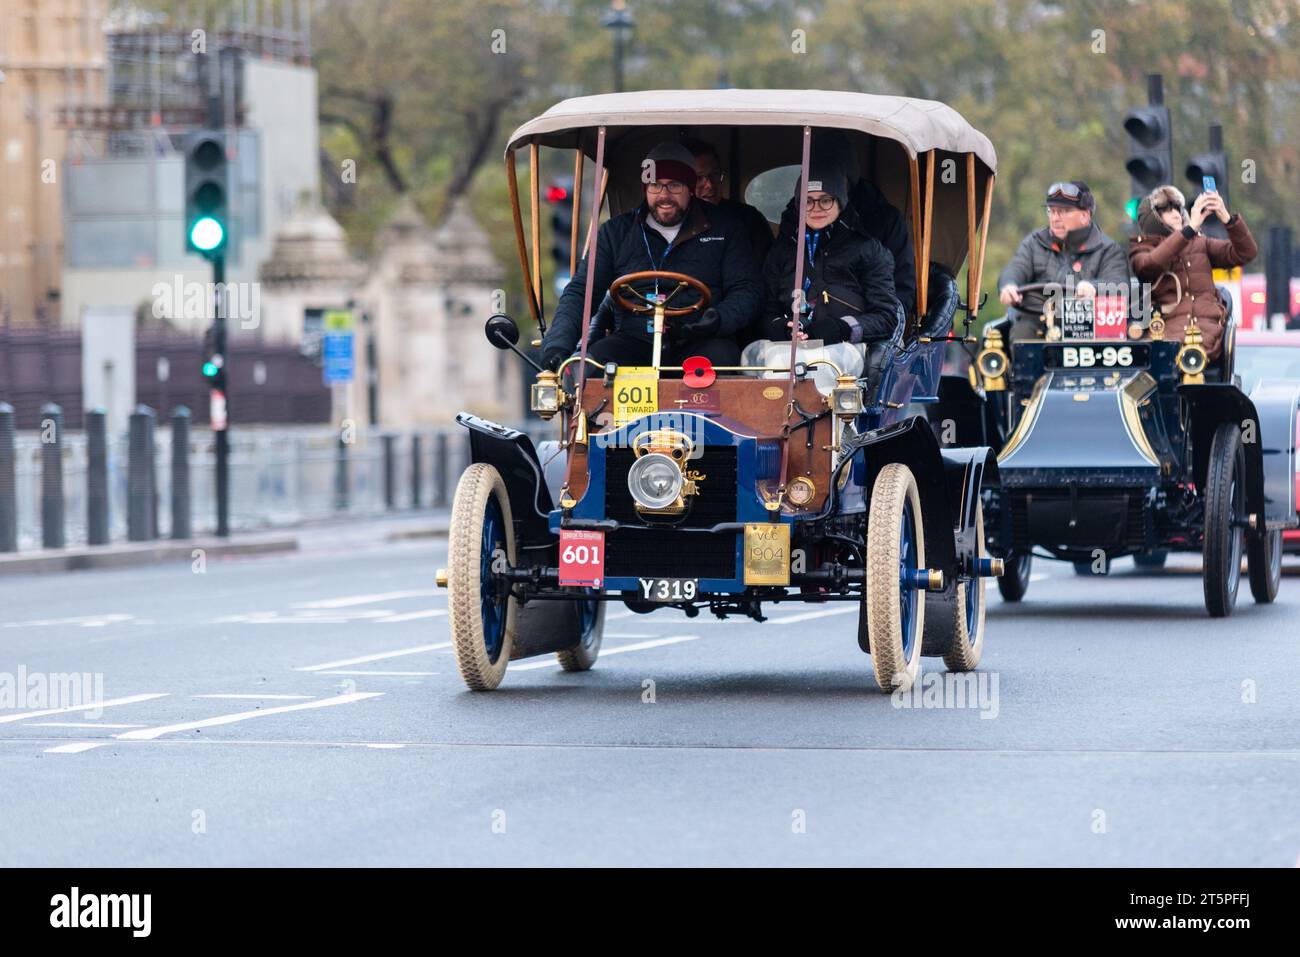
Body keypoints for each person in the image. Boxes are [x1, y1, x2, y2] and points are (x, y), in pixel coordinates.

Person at [540, 142, 761, 373]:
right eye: (656, 185)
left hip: (699, 339)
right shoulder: (615, 232)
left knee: (724, 357)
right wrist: (557, 345)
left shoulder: (725, 227)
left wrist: (717, 320)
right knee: (594, 364)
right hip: (634, 341)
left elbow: (747, 289)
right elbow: (581, 291)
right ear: (645, 188)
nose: (664, 196)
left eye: (674, 185)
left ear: (690, 188)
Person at [747, 156, 901, 390]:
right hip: (789, 345)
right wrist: (781, 327)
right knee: (752, 359)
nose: (816, 208)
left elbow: (886, 317)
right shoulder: (783, 250)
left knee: (817, 365)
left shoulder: (868, 249)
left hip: (845, 344)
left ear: (840, 201)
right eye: (807, 201)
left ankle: (823, 427)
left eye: (825, 200)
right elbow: (765, 310)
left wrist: (841, 328)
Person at [774, 130, 916, 319]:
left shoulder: (883, 221)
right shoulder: (793, 219)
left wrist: (869, 328)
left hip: (865, 328)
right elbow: (774, 284)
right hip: (796, 326)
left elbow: (901, 291)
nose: (816, 207)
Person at [1129, 184, 1257, 361]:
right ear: (1153, 217)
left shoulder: (1200, 243)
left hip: (1208, 332)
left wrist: (1226, 218)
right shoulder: (1141, 247)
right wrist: (1188, 231)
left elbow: (1246, 253)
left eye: (1177, 208)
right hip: (1166, 334)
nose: (1175, 213)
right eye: (1166, 209)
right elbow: (1147, 266)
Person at [998, 181, 1130, 341]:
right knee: (1020, 333)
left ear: (1085, 216)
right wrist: (1009, 285)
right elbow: (1017, 266)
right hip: (1039, 321)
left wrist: (1093, 288)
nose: (1055, 218)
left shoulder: (1108, 249)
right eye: (1051, 211)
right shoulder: (1034, 242)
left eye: (1064, 212)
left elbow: (1120, 284)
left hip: (1089, 328)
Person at [681, 136, 774, 269]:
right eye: (699, 178)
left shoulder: (748, 219)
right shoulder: (669, 222)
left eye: (714, 174)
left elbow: (766, 272)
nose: (709, 185)